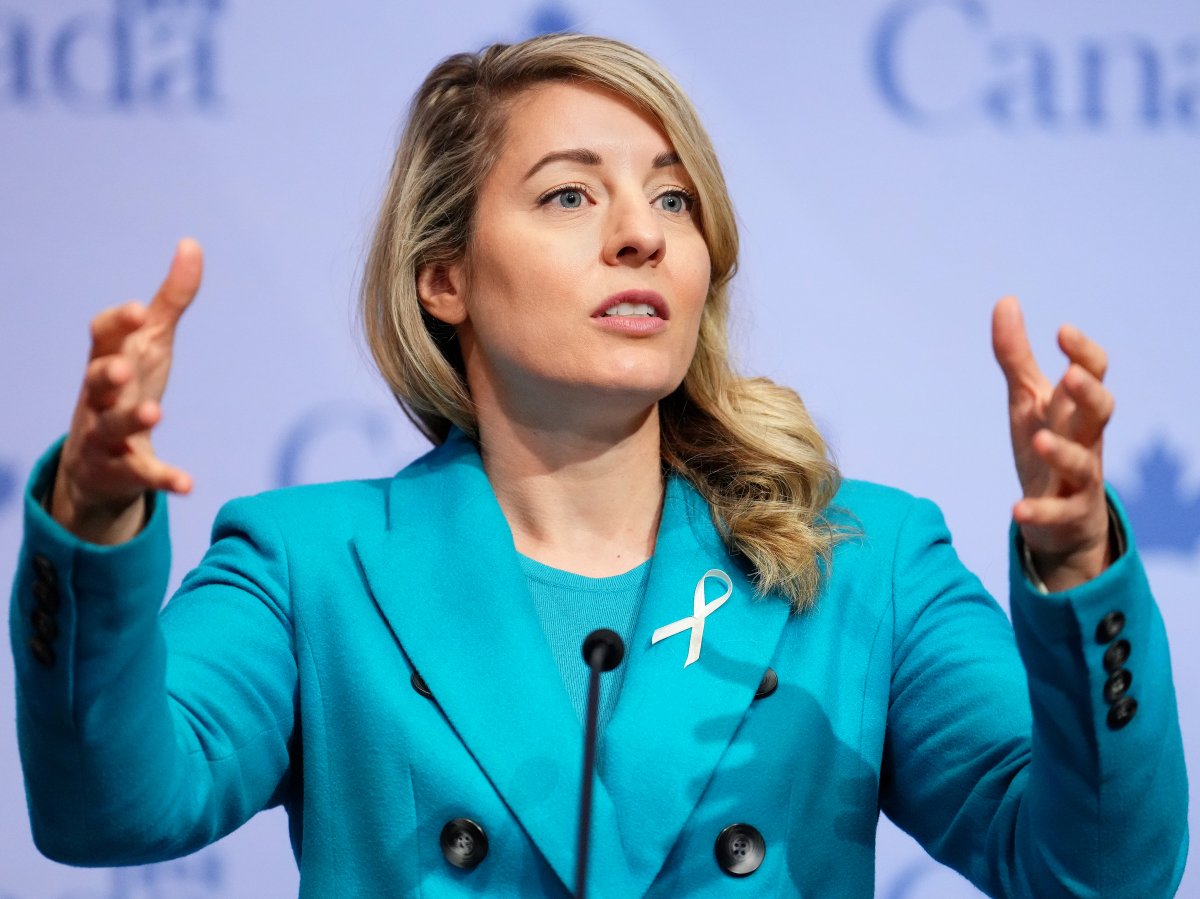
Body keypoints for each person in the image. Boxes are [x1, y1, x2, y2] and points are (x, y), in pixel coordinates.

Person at [10, 33, 1187, 898]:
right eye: (570, 192)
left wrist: (1078, 562)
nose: (642, 231)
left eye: (671, 197)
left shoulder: (864, 565)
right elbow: (109, 807)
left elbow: (1103, 868)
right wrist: (93, 514)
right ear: (446, 276)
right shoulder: (308, 566)